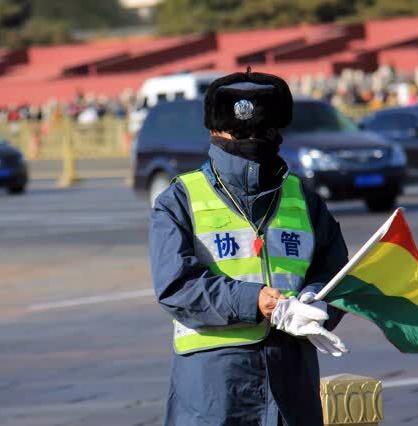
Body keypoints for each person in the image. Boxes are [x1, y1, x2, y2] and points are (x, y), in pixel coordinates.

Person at [149, 69, 350, 426]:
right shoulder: (179, 200)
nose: (252, 139)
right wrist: (254, 301)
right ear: (214, 131)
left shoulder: (303, 198)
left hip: (292, 376)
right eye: (240, 132)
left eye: (264, 132)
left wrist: (317, 301)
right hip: (214, 386)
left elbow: (334, 268)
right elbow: (176, 286)